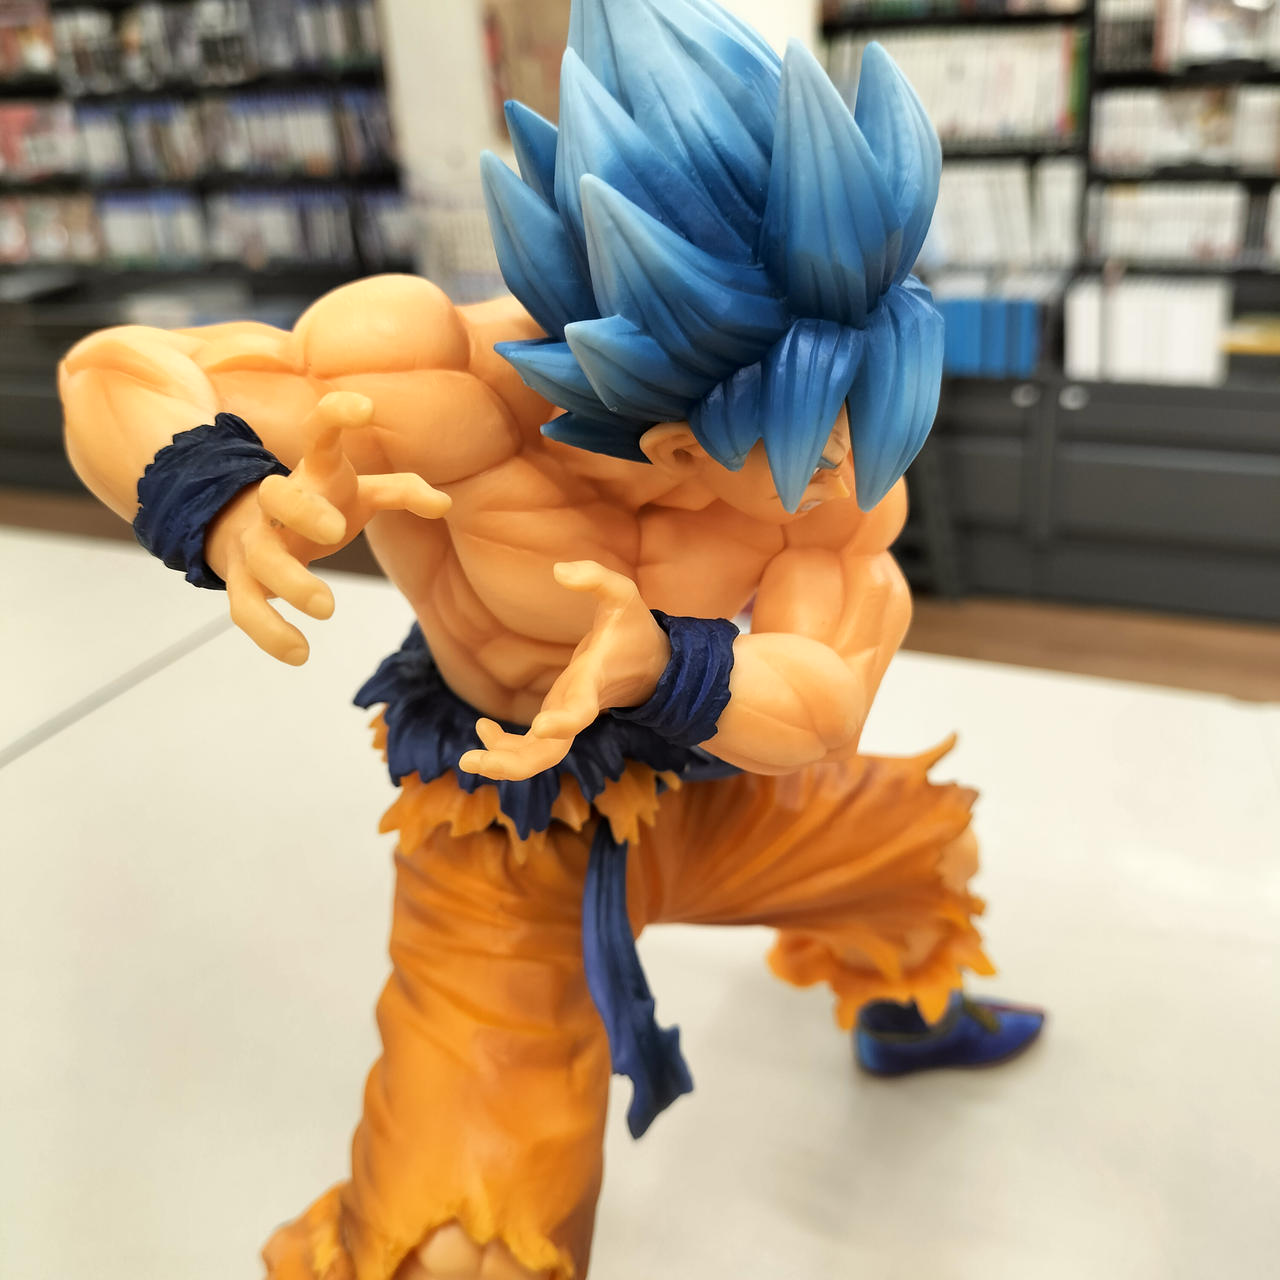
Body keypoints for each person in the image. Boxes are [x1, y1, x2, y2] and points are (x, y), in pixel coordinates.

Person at [58, 2, 1042, 1277]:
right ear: (675, 441)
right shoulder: (438, 377)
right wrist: (216, 493)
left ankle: (908, 1014)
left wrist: (669, 666)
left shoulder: (841, 466)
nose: (855, 473)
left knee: (917, 843)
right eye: (817, 451)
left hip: (710, 780)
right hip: (505, 834)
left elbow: (821, 699)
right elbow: (115, 372)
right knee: (459, 1251)